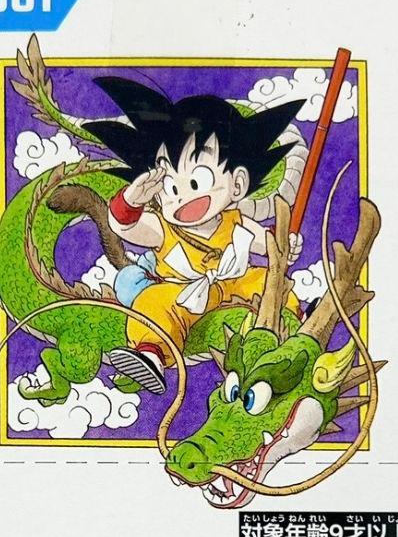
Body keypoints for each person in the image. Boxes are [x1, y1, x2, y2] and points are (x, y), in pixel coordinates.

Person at [86, 78, 303, 394]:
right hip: (182, 294)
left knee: (270, 282)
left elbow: (270, 246)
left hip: (234, 286)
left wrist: (286, 247)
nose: (181, 197)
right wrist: (131, 200)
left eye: (196, 182)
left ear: (237, 185)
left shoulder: (236, 222)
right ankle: (151, 355)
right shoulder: (163, 228)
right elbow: (124, 227)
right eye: (170, 187)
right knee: (153, 301)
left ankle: (294, 328)